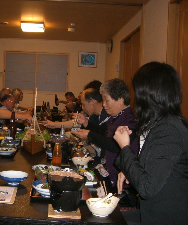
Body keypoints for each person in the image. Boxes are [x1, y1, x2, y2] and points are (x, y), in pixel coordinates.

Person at [113, 62, 188, 224]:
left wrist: (125, 147)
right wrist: (128, 170)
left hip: (166, 217)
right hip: (151, 212)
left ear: (148, 94)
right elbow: (152, 168)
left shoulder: (169, 130)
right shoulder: (160, 124)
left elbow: (147, 188)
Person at [72, 79, 139, 191]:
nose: (104, 104)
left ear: (120, 100)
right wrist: (86, 123)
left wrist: (90, 135)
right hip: (107, 173)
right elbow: (103, 131)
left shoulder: (130, 119)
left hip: (122, 182)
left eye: (107, 100)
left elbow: (116, 146)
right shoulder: (115, 117)